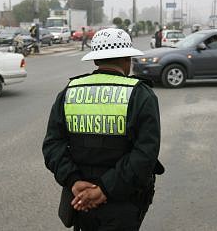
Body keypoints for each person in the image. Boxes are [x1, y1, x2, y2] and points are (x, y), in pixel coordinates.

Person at [43, 28, 164, 230]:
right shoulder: (140, 94)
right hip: (123, 201)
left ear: (96, 60)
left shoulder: (70, 91)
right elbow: (145, 153)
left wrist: (73, 181)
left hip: (80, 200)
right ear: (127, 58)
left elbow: (52, 146)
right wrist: (105, 190)